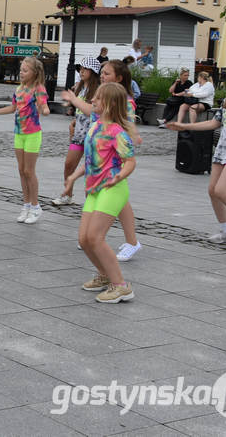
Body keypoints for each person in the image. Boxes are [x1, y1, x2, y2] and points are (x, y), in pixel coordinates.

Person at [168, 61, 226, 249]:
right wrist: (184, 126)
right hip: (222, 149)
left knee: (221, 190)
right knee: (212, 190)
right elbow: (213, 123)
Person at [61, 83, 137, 303]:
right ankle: (105, 276)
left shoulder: (117, 132)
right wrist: (73, 177)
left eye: (98, 98)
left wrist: (119, 176)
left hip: (112, 188)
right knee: (84, 239)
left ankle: (121, 286)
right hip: (95, 189)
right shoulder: (95, 127)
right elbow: (91, 161)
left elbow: (130, 162)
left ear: (110, 104)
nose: (92, 100)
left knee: (95, 237)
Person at [68, 60, 144, 262]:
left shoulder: (122, 100)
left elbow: (125, 123)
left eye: (107, 74)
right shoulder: (101, 98)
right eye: (101, 73)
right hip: (97, 152)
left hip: (113, 160)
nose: (102, 76)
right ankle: (93, 236)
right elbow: (94, 115)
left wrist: (132, 134)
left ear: (119, 78)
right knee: (103, 195)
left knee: (119, 200)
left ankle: (128, 241)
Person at [0, 57, 50, 224]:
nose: (21, 73)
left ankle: (35, 206)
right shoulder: (19, 89)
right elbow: (13, 108)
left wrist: (44, 109)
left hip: (33, 133)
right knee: (21, 170)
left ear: (35, 73)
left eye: (25, 70)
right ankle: (26, 205)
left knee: (29, 171)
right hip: (19, 133)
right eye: (21, 70)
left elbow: (44, 106)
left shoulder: (38, 88)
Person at [55, 57, 101, 206]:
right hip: (79, 133)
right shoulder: (79, 87)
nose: (81, 71)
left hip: (92, 135)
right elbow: (80, 110)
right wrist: (74, 121)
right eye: (80, 68)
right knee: (69, 164)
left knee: (90, 169)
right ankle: (67, 195)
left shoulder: (98, 90)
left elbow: (92, 112)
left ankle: (92, 201)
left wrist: (74, 101)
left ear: (93, 72)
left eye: (85, 69)